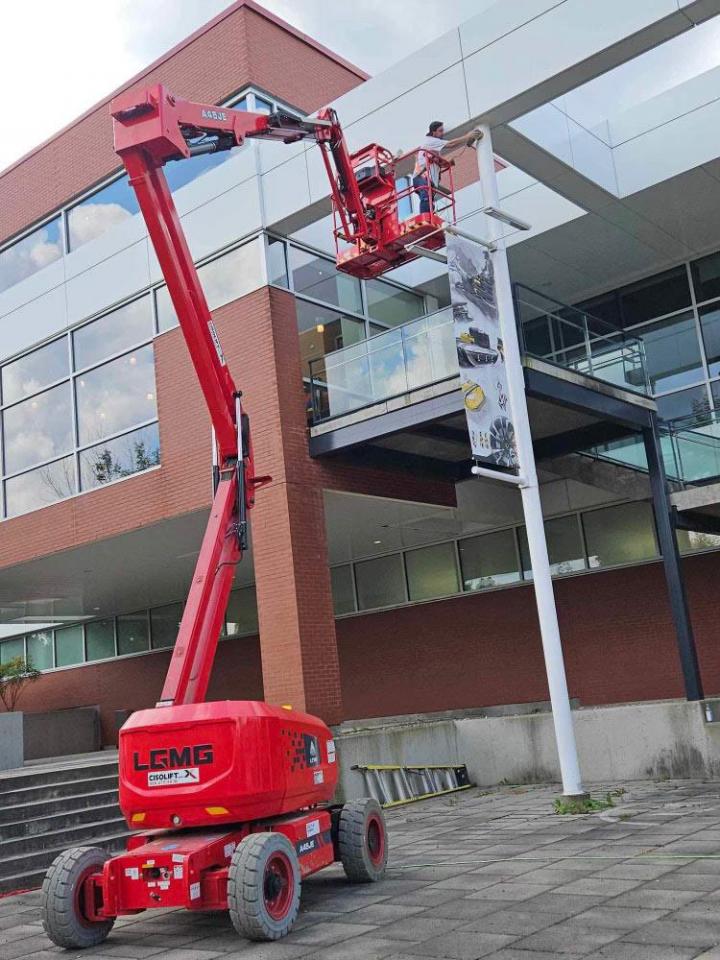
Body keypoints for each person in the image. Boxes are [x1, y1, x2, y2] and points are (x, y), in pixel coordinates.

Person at [413, 121, 480, 213]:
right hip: (421, 177)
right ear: (434, 132)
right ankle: (425, 218)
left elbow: (437, 162)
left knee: (429, 200)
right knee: (426, 197)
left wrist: (448, 163)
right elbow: (451, 144)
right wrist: (467, 136)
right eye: (440, 131)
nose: (442, 133)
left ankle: (429, 217)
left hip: (428, 179)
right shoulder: (430, 141)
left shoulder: (433, 148)